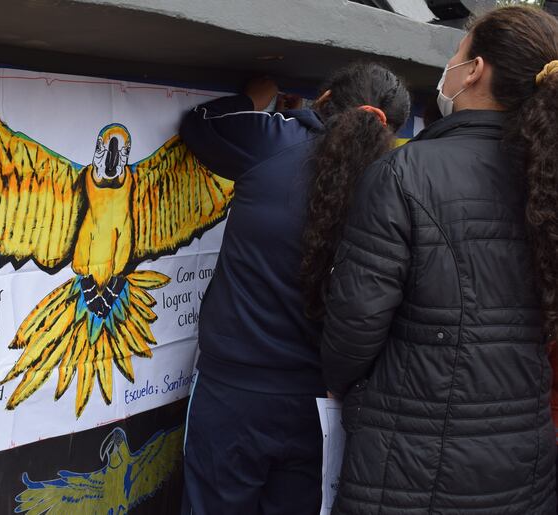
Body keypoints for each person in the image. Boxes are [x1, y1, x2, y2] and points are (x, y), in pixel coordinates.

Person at [317, 6, 558, 514]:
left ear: (475, 71)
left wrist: (344, 385)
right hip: (524, 458)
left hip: (409, 461)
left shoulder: (404, 172)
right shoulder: (545, 174)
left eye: (457, 52)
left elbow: (356, 323)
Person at [178, 63, 410, 514]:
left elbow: (200, 127)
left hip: (233, 391)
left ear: (324, 101)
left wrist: (257, 101)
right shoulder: (395, 184)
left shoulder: (273, 142)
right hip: (320, 404)